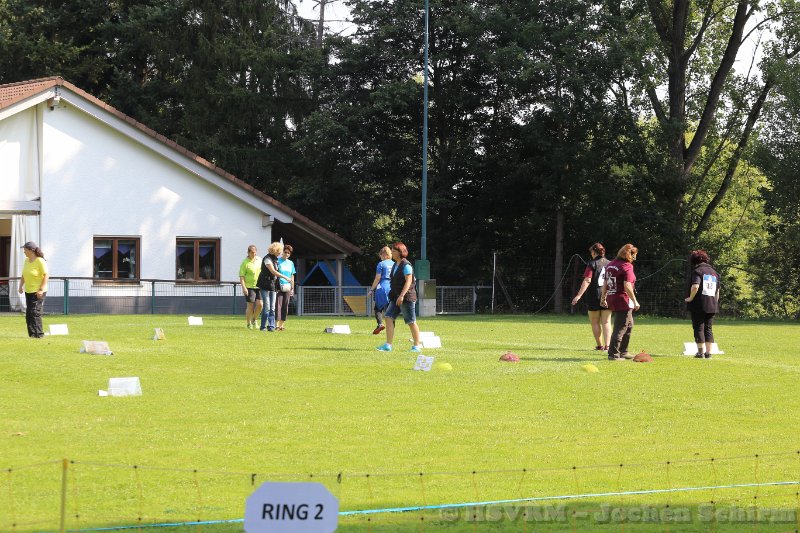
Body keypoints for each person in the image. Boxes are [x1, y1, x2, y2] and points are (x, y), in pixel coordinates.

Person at [376, 242, 422, 353]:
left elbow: (408, 282)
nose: (392, 253)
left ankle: (416, 346)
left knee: (411, 321)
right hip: (395, 297)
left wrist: (401, 296)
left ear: (400, 252)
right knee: (388, 317)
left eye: (394, 251)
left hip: (406, 297)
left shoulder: (406, 265)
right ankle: (388, 345)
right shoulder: (395, 264)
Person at [600, 244, 640, 361]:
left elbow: (606, 282)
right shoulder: (627, 266)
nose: (635, 258)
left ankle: (624, 351)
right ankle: (613, 354)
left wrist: (603, 297)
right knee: (621, 327)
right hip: (623, 299)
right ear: (629, 254)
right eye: (634, 255)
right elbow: (627, 285)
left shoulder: (610, 264)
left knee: (629, 325)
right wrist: (635, 301)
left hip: (612, 297)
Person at [571, 242, 612, 351]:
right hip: (608, 295)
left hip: (594, 295)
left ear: (594, 252)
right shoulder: (610, 264)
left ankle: (599, 346)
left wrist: (578, 295)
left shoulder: (592, 264)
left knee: (595, 322)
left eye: (591, 252)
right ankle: (608, 346)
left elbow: (587, 280)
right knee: (607, 322)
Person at [684, 250, 720, 359]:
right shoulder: (714, 273)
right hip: (712, 305)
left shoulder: (697, 271)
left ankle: (700, 353)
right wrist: (715, 302)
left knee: (699, 328)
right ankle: (708, 353)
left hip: (699, 304)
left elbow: (695, 286)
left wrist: (690, 298)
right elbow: (717, 291)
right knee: (708, 329)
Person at [256, 242, 292, 331]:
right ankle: (263, 326)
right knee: (267, 306)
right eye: (279, 251)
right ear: (274, 250)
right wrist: (285, 277)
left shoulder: (275, 259)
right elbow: (273, 272)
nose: (280, 253)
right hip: (265, 284)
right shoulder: (267, 259)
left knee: (272, 307)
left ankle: (271, 326)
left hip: (273, 285)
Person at [18, 241, 49, 338]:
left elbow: (46, 275)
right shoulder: (26, 261)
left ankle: (39, 334)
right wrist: (20, 286)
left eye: (25, 250)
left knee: (35, 312)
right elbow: (24, 275)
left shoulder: (40, 261)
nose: (24, 251)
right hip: (28, 290)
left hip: (38, 291)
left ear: (31, 250)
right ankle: (32, 334)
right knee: (29, 313)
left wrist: (41, 289)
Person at [368, 246, 394, 335]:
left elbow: (377, 278)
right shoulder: (395, 264)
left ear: (384, 254)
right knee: (391, 309)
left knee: (378, 308)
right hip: (392, 286)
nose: (380, 257)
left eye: (380, 255)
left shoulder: (381, 264)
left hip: (382, 286)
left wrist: (372, 289)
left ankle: (380, 324)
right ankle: (392, 327)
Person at [239, 245, 262, 329]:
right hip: (249, 287)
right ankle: (248, 324)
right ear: (248, 252)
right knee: (250, 306)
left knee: (260, 305)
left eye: (255, 252)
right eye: (252, 252)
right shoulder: (245, 262)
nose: (254, 254)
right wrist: (244, 288)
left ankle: (254, 319)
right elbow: (241, 277)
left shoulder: (259, 260)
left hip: (259, 286)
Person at [275, 244, 296, 331]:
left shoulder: (291, 263)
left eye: (288, 253)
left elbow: (292, 276)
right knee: (278, 305)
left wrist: (292, 288)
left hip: (288, 287)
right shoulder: (277, 261)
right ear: (282, 252)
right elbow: (275, 274)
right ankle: (276, 324)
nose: (287, 254)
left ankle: (282, 325)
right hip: (279, 286)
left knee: (285, 305)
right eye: (285, 252)